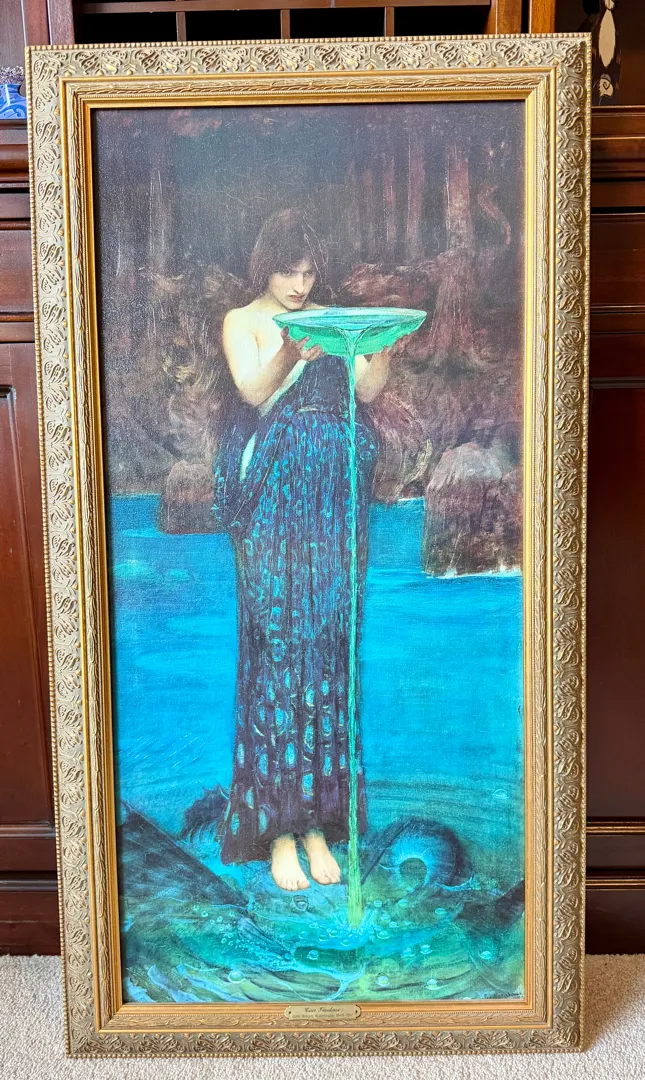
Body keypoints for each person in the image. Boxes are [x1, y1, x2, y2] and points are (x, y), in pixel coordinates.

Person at [213, 209, 389, 891]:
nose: (300, 284)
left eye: (309, 271)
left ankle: (318, 822)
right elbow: (252, 391)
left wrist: (381, 346)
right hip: (275, 500)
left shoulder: (331, 318)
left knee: (328, 649)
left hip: (334, 497)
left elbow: (366, 389)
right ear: (266, 265)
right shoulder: (243, 320)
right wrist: (292, 352)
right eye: (289, 270)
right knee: (280, 650)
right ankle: (278, 831)